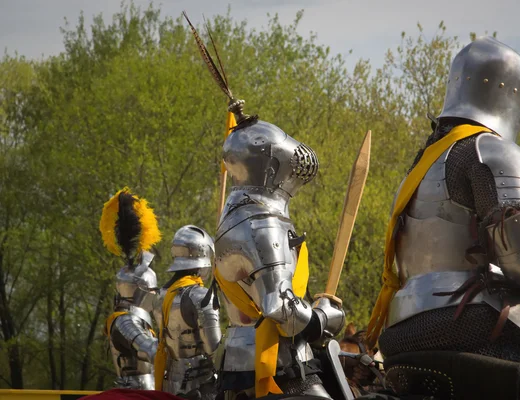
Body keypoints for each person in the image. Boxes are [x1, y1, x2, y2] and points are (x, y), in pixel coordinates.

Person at [367, 36, 520, 399]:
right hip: (469, 318)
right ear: (514, 97)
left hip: (402, 324)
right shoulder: (492, 153)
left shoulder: (422, 165)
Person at [181, 13, 345, 399]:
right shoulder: (263, 224)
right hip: (277, 368)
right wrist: (325, 318)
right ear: (271, 166)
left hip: (238, 360)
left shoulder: (234, 217)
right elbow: (281, 309)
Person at [100, 188, 162, 390]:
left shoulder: (136, 319)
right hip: (136, 391)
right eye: (152, 290)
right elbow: (152, 351)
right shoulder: (126, 320)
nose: (155, 295)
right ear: (139, 291)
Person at [153, 225, 222, 399]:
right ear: (203, 258)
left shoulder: (161, 295)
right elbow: (215, 351)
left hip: (170, 383)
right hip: (200, 387)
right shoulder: (200, 296)